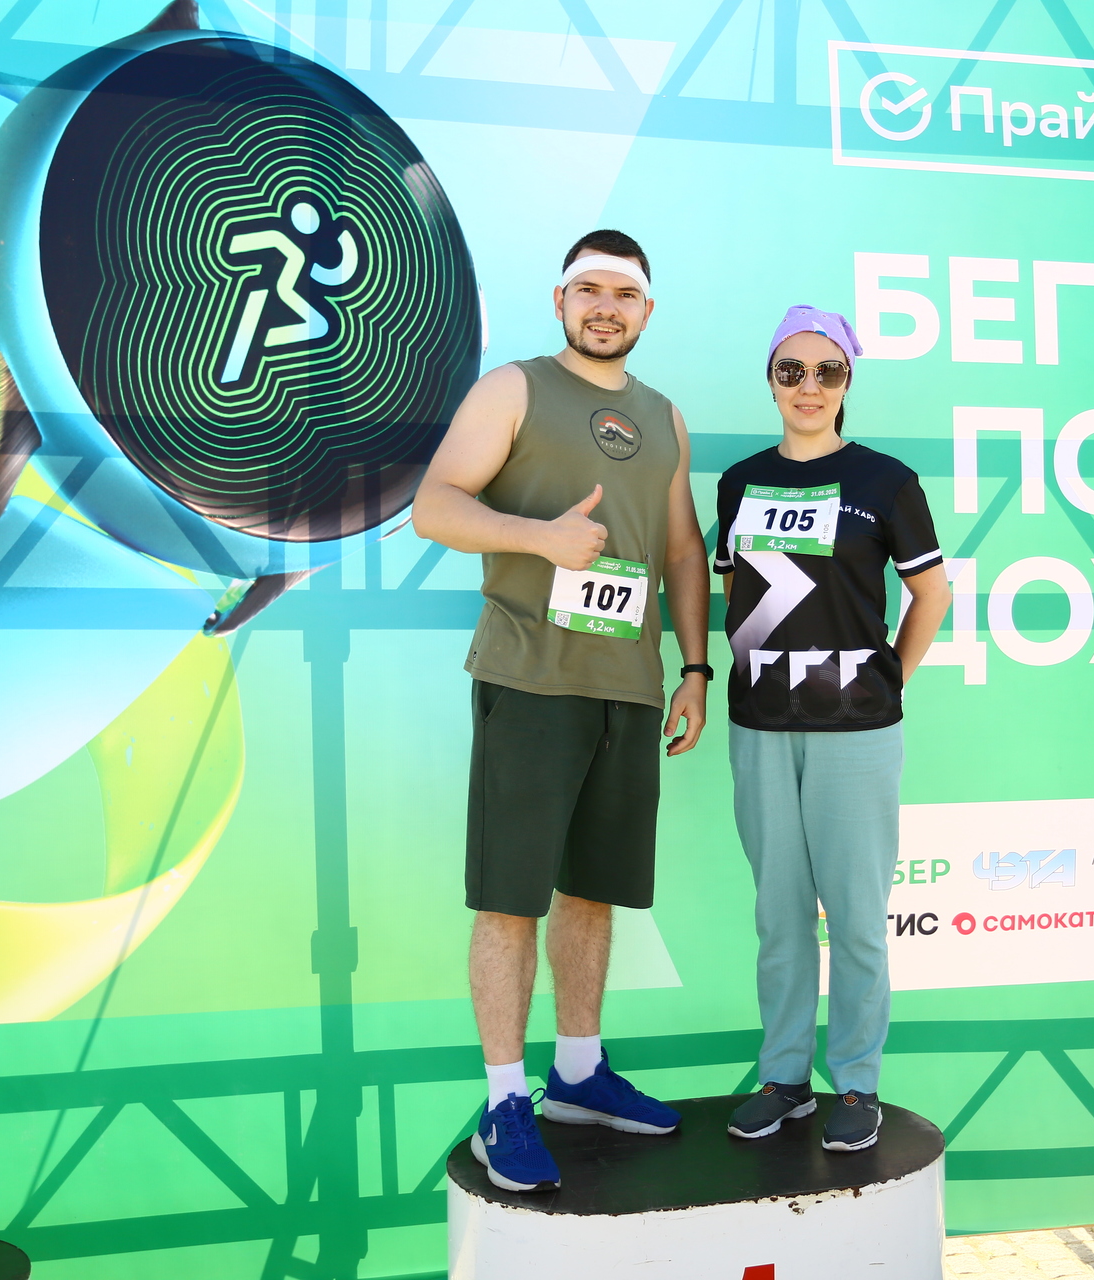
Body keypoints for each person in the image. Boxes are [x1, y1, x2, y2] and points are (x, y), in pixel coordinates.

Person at [412, 231, 711, 1192]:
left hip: (628, 685)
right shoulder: (514, 388)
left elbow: (681, 551)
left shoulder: (665, 416)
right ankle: (506, 1100)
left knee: (592, 891)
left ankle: (578, 1073)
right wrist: (539, 537)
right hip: (529, 678)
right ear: (560, 300)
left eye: (623, 292)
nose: (605, 306)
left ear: (647, 310)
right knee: (510, 898)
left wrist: (694, 667)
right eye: (589, 289)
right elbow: (433, 506)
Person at [715, 305, 951, 1153]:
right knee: (779, 917)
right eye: (792, 371)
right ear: (771, 381)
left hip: (857, 731)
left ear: (848, 381)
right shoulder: (739, 482)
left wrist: (889, 679)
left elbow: (932, 594)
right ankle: (785, 1078)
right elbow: (735, 591)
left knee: (854, 918)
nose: (809, 387)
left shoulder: (886, 481)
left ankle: (856, 1082)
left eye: (827, 371)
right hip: (760, 724)